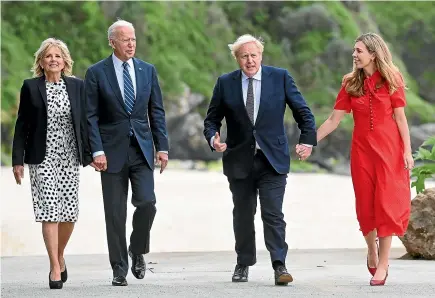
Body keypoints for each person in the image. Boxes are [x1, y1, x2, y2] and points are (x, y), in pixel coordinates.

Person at [203, 34, 317, 286]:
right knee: (243, 214)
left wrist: (306, 141)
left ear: (261, 56)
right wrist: (213, 139)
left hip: (272, 160)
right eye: (244, 56)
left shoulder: (280, 77)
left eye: (254, 55)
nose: (250, 60)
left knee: (273, 213)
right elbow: (211, 120)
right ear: (237, 59)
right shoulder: (225, 83)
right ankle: (243, 263)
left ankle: (279, 265)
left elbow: (304, 113)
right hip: (238, 160)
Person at [301, 32, 413, 286]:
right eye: (354, 50)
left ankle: (383, 264)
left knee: (385, 206)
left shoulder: (391, 79)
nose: (354, 54)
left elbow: (400, 119)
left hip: (389, 153)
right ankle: (371, 250)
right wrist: (310, 142)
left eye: (359, 50)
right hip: (362, 154)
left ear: (373, 53)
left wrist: (407, 151)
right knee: (366, 208)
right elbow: (334, 120)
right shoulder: (350, 83)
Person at [84, 19, 169, 286]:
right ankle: (119, 269)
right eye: (125, 39)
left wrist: (162, 146)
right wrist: (96, 150)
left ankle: (137, 249)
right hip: (109, 153)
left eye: (133, 39)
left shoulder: (147, 70)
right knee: (115, 213)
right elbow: (90, 116)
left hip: (142, 149)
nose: (131, 44)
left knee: (147, 203)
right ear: (112, 42)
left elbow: (156, 111)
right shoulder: (97, 72)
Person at [11, 38, 93, 289]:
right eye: (48, 56)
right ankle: (54, 267)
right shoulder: (31, 87)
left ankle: (60, 254)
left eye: (58, 56)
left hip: (70, 157)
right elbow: (22, 125)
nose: (53, 60)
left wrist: (95, 153)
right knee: (49, 210)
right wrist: (17, 160)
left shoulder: (78, 87)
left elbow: (87, 122)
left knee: (69, 213)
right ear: (41, 62)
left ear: (65, 61)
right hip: (41, 158)